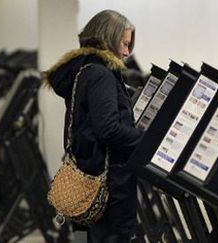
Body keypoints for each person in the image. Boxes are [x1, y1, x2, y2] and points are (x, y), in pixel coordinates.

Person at [44, 9, 143, 243]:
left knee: (89, 237)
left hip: (89, 174)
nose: (127, 52)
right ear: (108, 38)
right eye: (124, 43)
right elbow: (108, 128)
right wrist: (144, 138)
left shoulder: (84, 70)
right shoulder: (101, 75)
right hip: (110, 184)